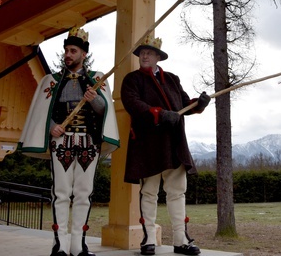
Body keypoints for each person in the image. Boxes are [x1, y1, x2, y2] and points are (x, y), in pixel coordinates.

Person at [19, 27, 118, 256]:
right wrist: (52, 126)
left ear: (83, 54)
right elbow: (43, 112)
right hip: (61, 143)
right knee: (60, 193)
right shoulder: (51, 81)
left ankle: (78, 245)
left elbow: (104, 111)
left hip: (88, 143)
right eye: (66, 50)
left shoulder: (97, 80)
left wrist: (94, 101)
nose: (68, 55)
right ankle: (60, 245)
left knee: (84, 193)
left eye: (73, 51)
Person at [121, 35, 211, 256]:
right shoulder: (132, 80)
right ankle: (148, 239)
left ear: (158, 57)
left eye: (149, 53)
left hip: (174, 143)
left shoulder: (172, 78)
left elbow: (184, 104)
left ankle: (180, 240)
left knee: (177, 193)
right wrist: (159, 114)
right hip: (148, 145)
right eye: (142, 52)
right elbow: (133, 104)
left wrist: (199, 104)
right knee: (149, 192)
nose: (144, 55)